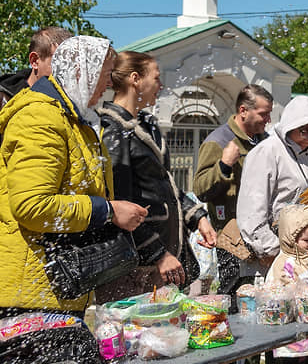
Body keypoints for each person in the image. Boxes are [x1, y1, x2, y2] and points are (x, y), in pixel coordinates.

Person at [0, 36, 147, 363]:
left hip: (59, 286)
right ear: (81, 71)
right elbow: (31, 206)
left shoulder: (75, 120)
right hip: (31, 293)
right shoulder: (39, 118)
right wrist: (109, 211)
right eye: (106, 74)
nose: (110, 84)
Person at [96, 51, 217, 302]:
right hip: (136, 266)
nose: (161, 86)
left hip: (162, 259)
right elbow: (120, 204)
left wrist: (197, 217)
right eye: (157, 78)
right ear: (135, 79)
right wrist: (157, 253)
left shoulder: (145, 126)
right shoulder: (114, 130)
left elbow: (165, 184)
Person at [236, 95, 308, 277]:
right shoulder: (267, 152)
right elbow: (251, 216)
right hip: (275, 266)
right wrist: (277, 253)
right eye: (304, 130)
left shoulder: (302, 155)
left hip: (301, 261)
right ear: (290, 124)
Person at [194, 84, 273, 293]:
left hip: (264, 234)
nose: (268, 120)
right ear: (243, 111)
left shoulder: (266, 142)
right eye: (264, 114)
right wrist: (224, 165)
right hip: (233, 239)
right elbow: (200, 189)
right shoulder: (218, 141)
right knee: (234, 299)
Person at [267, 204, 308, 364]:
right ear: (290, 238)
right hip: (291, 333)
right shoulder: (284, 263)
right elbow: (281, 292)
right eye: (306, 240)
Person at [0, 26, 73, 107]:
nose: (67, 72)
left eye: (71, 65)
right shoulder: (4, 100)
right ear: (34, 61)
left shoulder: (72, 104)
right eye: (60, 64)